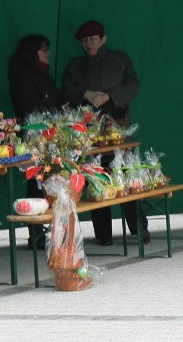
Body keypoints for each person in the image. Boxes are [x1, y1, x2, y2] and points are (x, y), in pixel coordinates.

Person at [60, 20, 147, 246]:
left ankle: (138, 228)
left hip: (121, 134)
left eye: (93, 39)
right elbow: (65, 90)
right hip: (89, 137)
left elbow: (134, 84)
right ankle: (103, 234)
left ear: (103, 39)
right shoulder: (75, 65)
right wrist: (87, 94)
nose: (88, 43)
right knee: (97, 183)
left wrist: (109, 96)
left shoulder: (119, 59)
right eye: (84, 40)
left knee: (129, 181)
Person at [8, 34, 62, 250]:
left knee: (52, 183)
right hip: (33, 140)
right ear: (33, 53)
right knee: (35, 183)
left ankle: (53, 230)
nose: (48, 53)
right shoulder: (22, 78)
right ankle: (36, 233)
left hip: (51, 137)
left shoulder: (44, 75)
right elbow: (29, 110)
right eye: (44, 49)